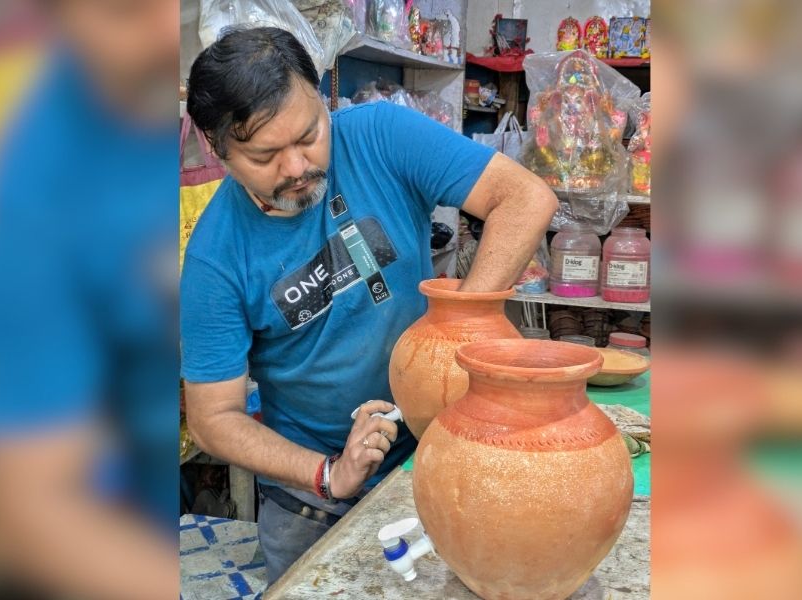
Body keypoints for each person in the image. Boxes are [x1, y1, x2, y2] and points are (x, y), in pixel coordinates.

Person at [182, 26, 557, 582]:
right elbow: (215, 420)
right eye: (265, 155)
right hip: (312, 504)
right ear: (220, 151)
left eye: (309, 135)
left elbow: (525, 198)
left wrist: (458, 331)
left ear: (321, 99)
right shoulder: (214, 258)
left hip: (431, 459)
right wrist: (329, 472)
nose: (296, 167)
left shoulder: (382, 134)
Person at [0, 1, 178, 598]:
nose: (168, 29)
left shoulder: (157, 115)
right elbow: (30, 511)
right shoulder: (34, 188)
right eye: (124, 12)